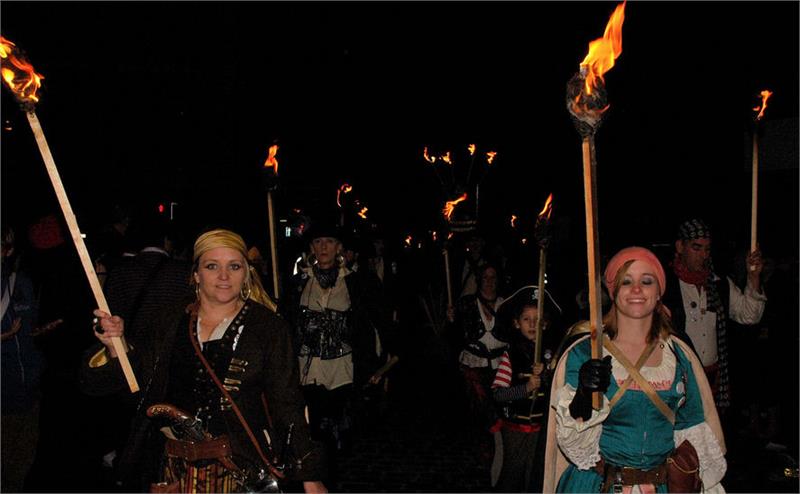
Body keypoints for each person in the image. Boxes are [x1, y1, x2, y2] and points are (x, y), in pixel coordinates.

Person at [80, 229, 327, 493]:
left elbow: (287, 402)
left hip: (238, 471)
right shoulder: (168, 321)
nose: (224, 276)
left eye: (234, 266)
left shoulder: (268, 328)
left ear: (246, 273)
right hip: (172, 470)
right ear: (196, 274)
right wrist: (116, 347)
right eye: (212, 266)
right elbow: (134, 387)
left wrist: (308, 476)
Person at [543, 246, 727, 493]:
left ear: (659, 291)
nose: (637, 289)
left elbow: (692, 429)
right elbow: (576, 439)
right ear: (613, 290)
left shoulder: (679, 356)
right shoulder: (586, 352)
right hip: (599, 485)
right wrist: (584, 394)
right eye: (626, 281)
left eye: (647, 281)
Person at [286, 220, 389, 469]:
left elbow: (377, 319)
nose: (323, 247)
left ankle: (328, 475)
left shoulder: (356, 282)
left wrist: (381, 357)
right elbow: (286, 321)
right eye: (318, 242)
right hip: (306, 370)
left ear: (339, 247)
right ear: (311, 247)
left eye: (329, 242)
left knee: (337, 434)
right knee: (312, 432)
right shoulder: (298, 284)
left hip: (342, 370)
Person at [662, 218, 766, 412]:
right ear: (680, 246)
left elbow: (750, 315)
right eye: (696, 248)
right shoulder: (664, 285)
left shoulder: (718, 284)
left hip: (712, 380)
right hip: (674, 379)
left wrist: (753, 277)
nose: (703, 255)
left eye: (707, 249)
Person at [490, 285, 555, 492]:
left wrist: (546, 376)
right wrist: (526, 387)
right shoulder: (510, 356)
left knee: (534, 474)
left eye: (538, 319)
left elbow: (558, 390)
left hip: (540, 428)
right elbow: (498, 394)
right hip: (514, 428)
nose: (533, 324)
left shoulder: (550, 355)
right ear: (517, 324)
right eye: (526, 319)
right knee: (513, 472)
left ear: (544, 324)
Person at [1, 226, 45, 493]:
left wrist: (39, 333)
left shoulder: (21, 283)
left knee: (21, 462)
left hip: (28, 388)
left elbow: (30, 327)